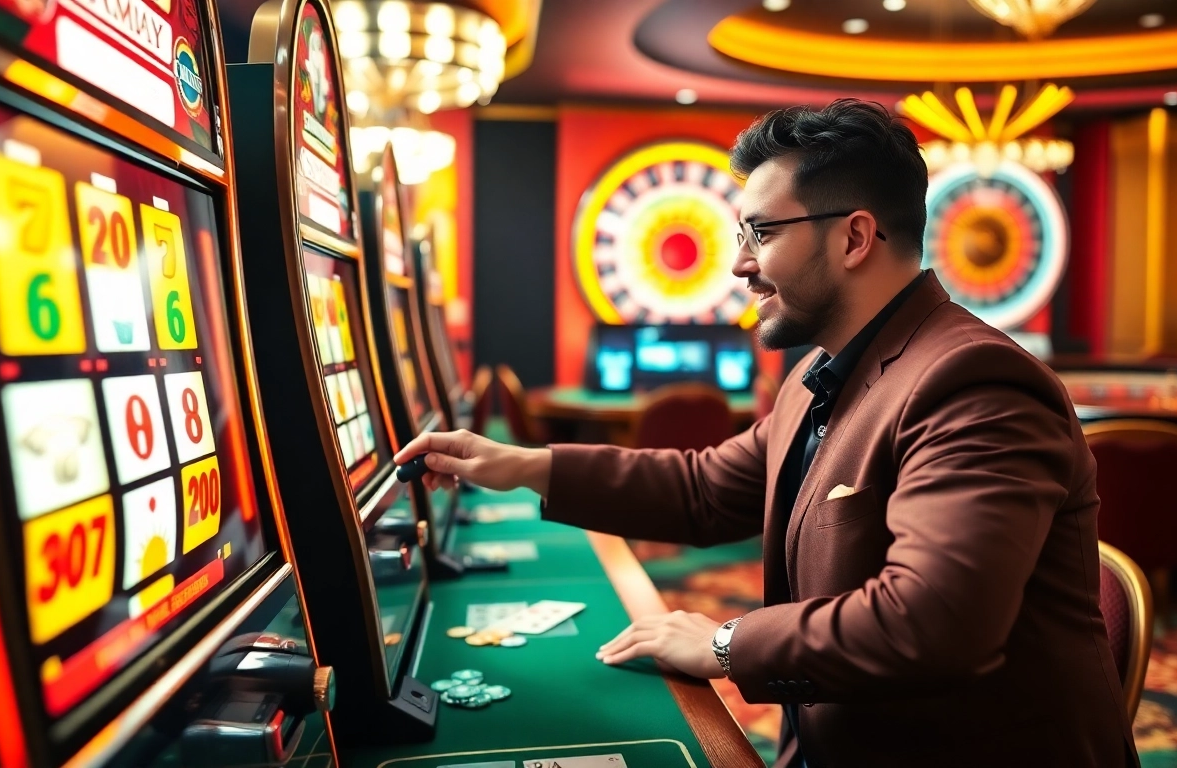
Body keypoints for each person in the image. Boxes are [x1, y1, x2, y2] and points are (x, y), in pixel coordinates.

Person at [395, 99, 1138, 768]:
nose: (742, 263)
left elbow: (932, 624)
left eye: (761, 232)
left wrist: (725, 644)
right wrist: (523, 465)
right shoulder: (825, 366)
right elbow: (706, 488)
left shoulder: (973, 382)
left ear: (854, 238)